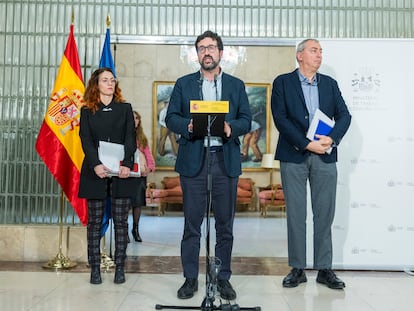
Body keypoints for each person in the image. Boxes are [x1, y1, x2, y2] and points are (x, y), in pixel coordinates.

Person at [165, 30, 252, 300]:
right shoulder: (184, 84)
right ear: (197, 54)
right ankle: (190, 278)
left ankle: (223, 277)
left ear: (221, 53)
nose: (207, 52)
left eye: (211, 47)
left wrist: (229, 127)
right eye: (202, 48)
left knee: (225, 225)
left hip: (224, 159)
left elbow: (246, 120)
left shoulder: (236, 85)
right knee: (192, 224)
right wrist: (188, 125)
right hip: (194, 158)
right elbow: (171, 118)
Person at [271, 38, 351, 290]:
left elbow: (344, 115)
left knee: (324, 213)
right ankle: (297, 268)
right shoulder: (283, 82)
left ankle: (325, 269)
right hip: (294, 155)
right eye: (314, 50)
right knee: (296, 214)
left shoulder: (329, 84)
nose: (319, 55)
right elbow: (280, 119)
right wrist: (306, 144)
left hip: (325, 155)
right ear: (300, 56)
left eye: (320, 51)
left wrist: (332, 138)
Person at [78, 67, 136, 285]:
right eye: (105, 80)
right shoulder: (86, 111)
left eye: (112, 80)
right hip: (96, 171)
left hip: (121, 172)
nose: (110, 83)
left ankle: (120, 266)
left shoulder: (125, 109)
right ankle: (95, 268)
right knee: (94, 222)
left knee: (121, 222)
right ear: (96, 85)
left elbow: (131, 138)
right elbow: (86, 140)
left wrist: (127, 164)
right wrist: (96, 164)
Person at [130, 110, 156, 242]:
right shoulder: (122, 135)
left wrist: (150, 168)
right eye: (132, 118)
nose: (134, 120)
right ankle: (123, 230)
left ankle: (135, 229)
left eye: (136, 118)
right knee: (125, 203)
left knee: (138, 203)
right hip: (126, 174)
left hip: (140, 174)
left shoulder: (142, 137)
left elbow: (148, 155)